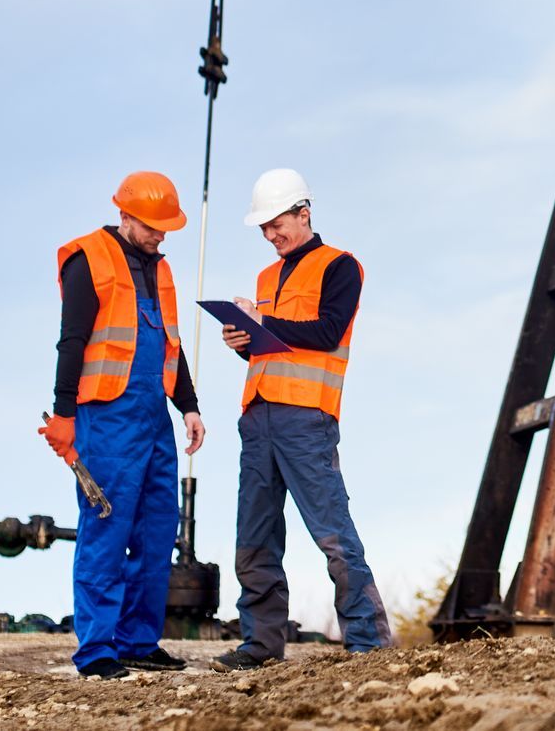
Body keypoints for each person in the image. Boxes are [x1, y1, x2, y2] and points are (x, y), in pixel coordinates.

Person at [211, 167, 391, 670]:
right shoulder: (266, 277)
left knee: (332, 531)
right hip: (258, 417)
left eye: (276, 224)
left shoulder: (341, 266)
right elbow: (277, 347)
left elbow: (328, 331)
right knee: (255, 535)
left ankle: (368, 642)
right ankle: (261, 645)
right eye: (264, 229)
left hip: (307, 419)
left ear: (303, 212)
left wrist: (263, 321)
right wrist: (243, 342)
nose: (271, 236)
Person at [37, 171, 206, 680]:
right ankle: (96, 650)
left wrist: (190, 406)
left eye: (166, 228)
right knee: (106, 531)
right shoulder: (90, 259)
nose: (161, 236)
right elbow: (71, 342)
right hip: (106, 420)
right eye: (153, 227)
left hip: (154, 419)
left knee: (157, 533)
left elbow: (169, 346)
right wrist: (64, 414)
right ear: (126, 216)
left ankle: (137, 640)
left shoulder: (161, 270)